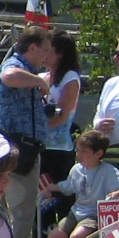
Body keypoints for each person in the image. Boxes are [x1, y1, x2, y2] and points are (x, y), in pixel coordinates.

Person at [0, 26, 56, 238]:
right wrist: (39, 81)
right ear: (33, 47)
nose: (47, 57)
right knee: (21, 212)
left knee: (20, 211)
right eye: (45, 51)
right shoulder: (15, 66)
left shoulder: (28, 71)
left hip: (27, 149)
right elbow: (8, 76)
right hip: (17, 148)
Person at [41, 31, 84, 185]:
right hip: (40, 146)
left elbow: (62, 115)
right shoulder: (42, 78)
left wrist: (37, 129)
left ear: (60, 53)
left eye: (48, 50)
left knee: (59, 197)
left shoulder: (70, 78)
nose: (43, 54)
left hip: (58, 149)